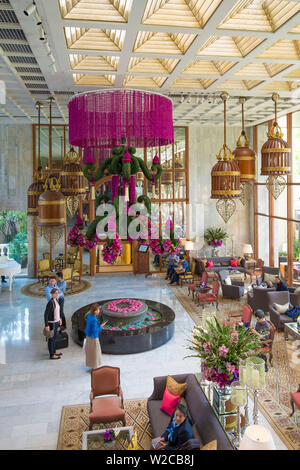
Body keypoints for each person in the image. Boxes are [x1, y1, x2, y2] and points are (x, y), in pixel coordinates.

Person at [84, 303, 107, 370]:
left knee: (90, 352)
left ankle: (92, 366)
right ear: (95, 311)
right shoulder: (94, 319)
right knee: (95, 352)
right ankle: (94, 368)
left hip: (88, 336)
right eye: (98, 310)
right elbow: (95, 330)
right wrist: (101, 326)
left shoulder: (89, 316)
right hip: (93, 337)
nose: (99, 311)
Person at [44, 288, 62, 360]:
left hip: (56, 322)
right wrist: (46, 325)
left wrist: (60, 319)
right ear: (52, 294)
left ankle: (54, 352)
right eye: (55, 293)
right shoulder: (50, 303)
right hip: (52, 323)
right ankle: (51, 355)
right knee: (51, 339)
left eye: (57, 293)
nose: (57, 294)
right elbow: (46, 314)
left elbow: (58, 311)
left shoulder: (56, 300)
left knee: (54, 338)